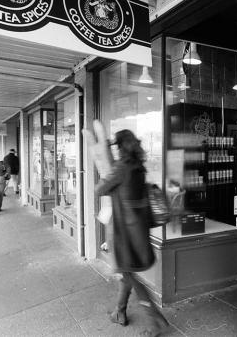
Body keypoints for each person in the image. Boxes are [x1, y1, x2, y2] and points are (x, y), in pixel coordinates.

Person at [85, 123, 168, 332]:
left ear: (120, 147)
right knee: (126, 274)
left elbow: (99, 189)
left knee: (129, 274)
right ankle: (119, 312)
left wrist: (105, 171)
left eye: (116, 146)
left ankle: (155, 320)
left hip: (124, 233)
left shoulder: (121, 168)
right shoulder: (139, 166)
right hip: (138, 230)